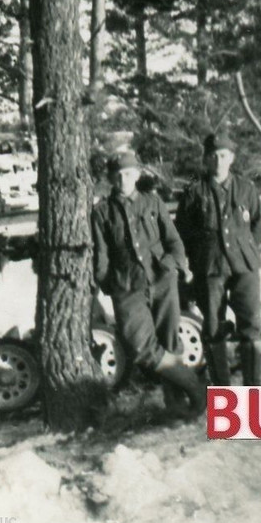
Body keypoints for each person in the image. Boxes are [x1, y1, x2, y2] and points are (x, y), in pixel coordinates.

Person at [91, 150, 205, 417]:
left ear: (138, 174)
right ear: (110, 179)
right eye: (117, 175)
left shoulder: (152, 203)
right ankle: (195, 386)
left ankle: (176, 405)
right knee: (140, 347)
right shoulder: (102, 212)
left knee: (169, 340)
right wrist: (111, 285)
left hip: (162, 278)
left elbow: (174, 240)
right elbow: (102, 256)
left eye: (128, 174)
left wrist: (174, 265)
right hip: (126, 285)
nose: (123, 180)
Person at [175, 132, 261, 386]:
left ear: (232, 158)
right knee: (214, 327)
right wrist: (197, 259)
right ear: (206, 160)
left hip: (244, 266)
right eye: (213, 156)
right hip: (210, 267)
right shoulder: (194, 192)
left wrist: (245, 247)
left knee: (251, 325)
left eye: (224, 155)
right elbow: (182, 231)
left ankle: (253, 389)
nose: (219, 161)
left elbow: (260, 224)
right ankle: (224, 393)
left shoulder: (246, 189)